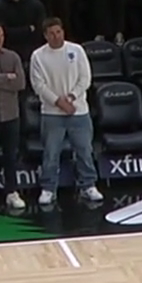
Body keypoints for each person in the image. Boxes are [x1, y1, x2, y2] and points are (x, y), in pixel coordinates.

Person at [29, 17, 101, 207]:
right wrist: (58, 101)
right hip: (51, 113)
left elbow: (85, 78)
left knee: (84, 150)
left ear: (63, 32)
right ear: (45, 36)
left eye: (58, 32)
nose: (56, 36)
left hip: (78, 111)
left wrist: (70, 97)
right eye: (51, 33)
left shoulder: (76, 50)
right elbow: (38, 85)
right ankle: (48, 188)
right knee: (51, 153)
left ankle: (88, 185)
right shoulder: (38, 56)